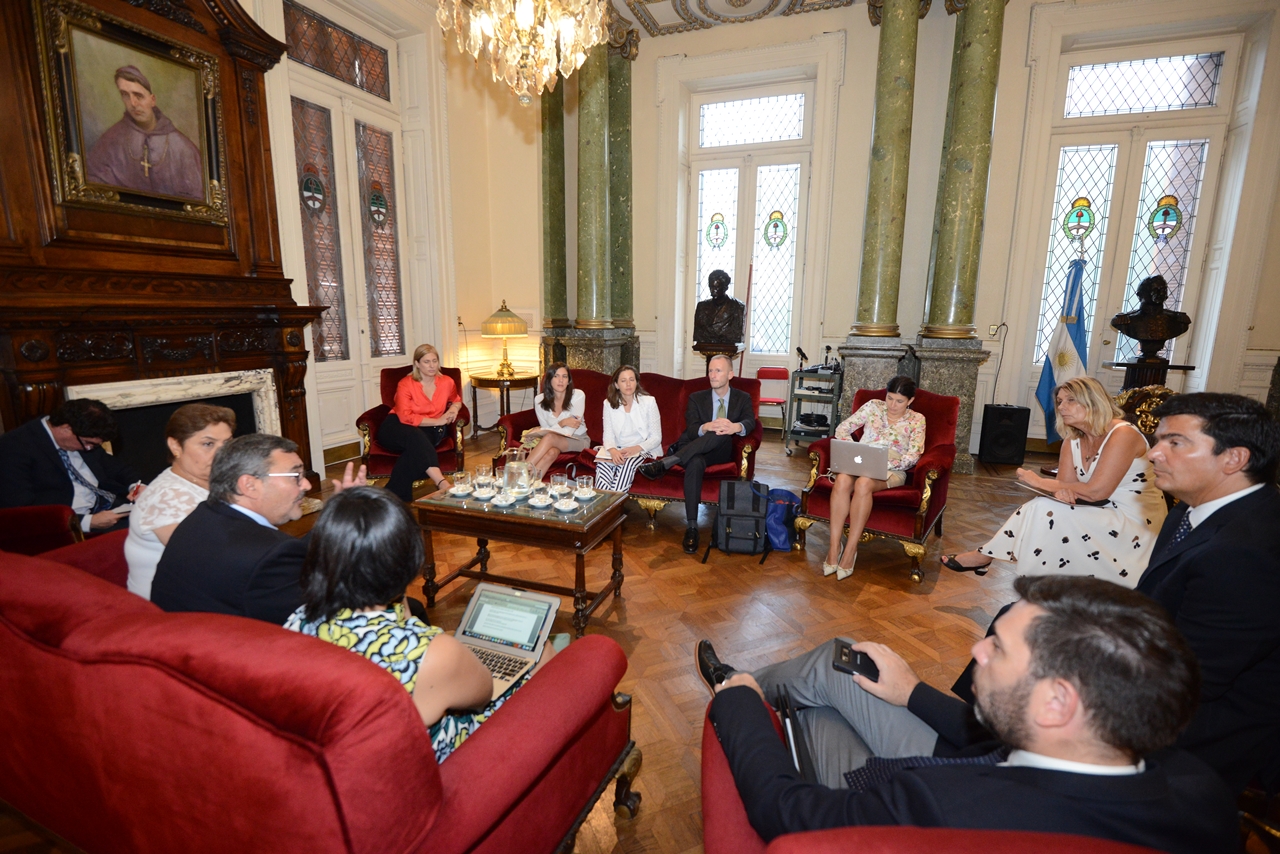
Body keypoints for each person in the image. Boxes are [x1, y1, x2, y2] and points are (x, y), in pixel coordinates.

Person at [698, 575, 1236, 852]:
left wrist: (740, 706)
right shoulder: (1199, 786)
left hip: (910, 786)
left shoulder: (944, 806)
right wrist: (911, 692)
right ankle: (751, 686)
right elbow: (999, 741)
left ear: (1056, 702)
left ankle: (734, 686)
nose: (976, 651)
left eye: (997, 647)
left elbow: (784, 814)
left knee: (804, 717)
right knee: (843, 664)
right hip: (967, 757)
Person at [284, 487, 549, 764]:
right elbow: (483, 693)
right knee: (541, 650)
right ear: (408, 561)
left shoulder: (298, 620)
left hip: (344, 762)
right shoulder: (434, 654)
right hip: (438, 768)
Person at [1138, 392, 1280, 794]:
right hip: (1171, 675)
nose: (1154, 454)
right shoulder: (1193, 509)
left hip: (1211, 725)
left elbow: (1195, 681)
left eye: (1175, 442)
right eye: (1158, 439)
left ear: (1234, 459)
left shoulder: (1245, 552)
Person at [942, 375, 1166, 586]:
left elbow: (1097, 492)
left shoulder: (1122, 434)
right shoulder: (1072, 440)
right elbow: (1066, 487)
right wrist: (1060, 492)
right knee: (1043, 509)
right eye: (1059, 401)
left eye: (1070, 400)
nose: (1061, 407)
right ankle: (1039, 587)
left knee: (1041, 509)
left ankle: (990, 560)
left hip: (1135, 522)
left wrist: (1039, 482)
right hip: (1099, 511)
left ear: (1093, 401)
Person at [151, 433, 366, 625]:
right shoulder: (268, 556)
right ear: (249, 485)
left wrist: (335, 517)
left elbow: (284, 557)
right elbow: (319, 624)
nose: (307, 485)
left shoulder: (205, 516)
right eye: (295, 476)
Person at [638, 354, 756, 554]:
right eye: (710, 370)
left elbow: (751, 423)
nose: (712, 374)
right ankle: (692, 527)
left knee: (722, 431)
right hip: (695, 450)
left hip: (721, 450)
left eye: (718, 370)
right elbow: (691, 430)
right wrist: (707, 426)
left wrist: (733, 426)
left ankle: (667, 463)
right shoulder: (697, 397)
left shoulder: (742, 398)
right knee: (695, 462)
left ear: (730, 374)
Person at [125, 404, 235, 600]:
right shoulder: (168, 498)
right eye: (208, 444)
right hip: (167, 611)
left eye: (226, 444)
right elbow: (210, 563)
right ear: (175, 446)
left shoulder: (212, 481)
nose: (222, 454)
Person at [821, 376, 926, 580]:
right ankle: (834, 548)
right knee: (842, 480)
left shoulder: (917, 420)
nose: (892, 405)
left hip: (892, 468)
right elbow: (842, 429)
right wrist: (852, 450)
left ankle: (851, 550)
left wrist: (883, 463)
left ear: (910, 401)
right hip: (861, 460)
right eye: (889, 398)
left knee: (863, 483)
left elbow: (913, 456)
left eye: (899, 401)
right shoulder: (873, 407)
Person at [0, 398, 142, 534]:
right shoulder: (13, 448)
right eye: (88, 443)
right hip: (67, 525)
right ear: (66, 428)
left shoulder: (83, 436)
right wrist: (86, 522)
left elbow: (118, 468)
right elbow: (20, 512)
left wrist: (136, 486)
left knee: (158, 520)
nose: (89, 449)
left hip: (109, 505)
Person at [85, 65, 204, 201]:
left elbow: (198, 198)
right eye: (125, 95)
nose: (133, 103)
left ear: (152, 100)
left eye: (138, 95)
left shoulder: (183, 147)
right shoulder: (112, 139)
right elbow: (92, 184)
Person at [378, 344, 462, 501]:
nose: (432, 366)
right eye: (426, 362)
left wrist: (454, 409)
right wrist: (438, 420)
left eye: (434, 361)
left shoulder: (447, 382)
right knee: (415, 438)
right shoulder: (406, 383)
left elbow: (456, 400)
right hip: (396, 426)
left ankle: (392, 495)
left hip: (430, 430)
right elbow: (404, 417)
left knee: (414, 450)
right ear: (417, 363)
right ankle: (441, 482)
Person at [594, 365, 663, 493]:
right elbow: (608, 435)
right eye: (623, 381)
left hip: (642, 449)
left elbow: (656, 438)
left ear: (636, 382)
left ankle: (613, 503)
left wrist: (635, 449)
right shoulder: (608, 403)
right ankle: (604, 506)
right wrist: (613, 451)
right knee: (603, 466)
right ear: (616, 384)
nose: (628, 384)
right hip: (616, 449)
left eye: (632, 379)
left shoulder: (649, 402)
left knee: (627, 465)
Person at [523, 363, 589, 478]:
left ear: (569, 381)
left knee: (550, 437)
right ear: (549, 380)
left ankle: (521, 473)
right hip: (554, 440)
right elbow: (547, 430)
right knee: (551, 452)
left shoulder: (578, 396)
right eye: (556, 376)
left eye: (564, 376)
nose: (561, 380)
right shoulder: (539, 400)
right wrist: (562, 423)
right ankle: (531, 484)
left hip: (579, 439)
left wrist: (550, 428)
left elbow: (568, 432)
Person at [692, 270, 746, 346]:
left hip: (727, 348)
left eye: (716, 288)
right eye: (710, 287)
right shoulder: (701, 307)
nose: (712, 291)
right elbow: (699, 333)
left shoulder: (738, 307)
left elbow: (735, 334)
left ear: (725, 288)